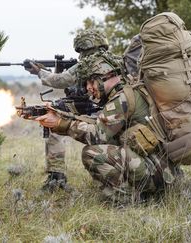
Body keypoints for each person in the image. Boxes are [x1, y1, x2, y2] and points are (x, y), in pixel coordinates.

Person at [35, 53, 176, 203]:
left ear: (106, 75)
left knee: (91, 153)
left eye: (91, 81)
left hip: (154, 171)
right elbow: (102, 125)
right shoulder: (128, 90)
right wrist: (62, 115)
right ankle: (144, 190)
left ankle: (128, 199)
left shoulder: (121, 99)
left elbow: (97, 135)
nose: (88, 88)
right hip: (162, 169)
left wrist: (60, 124)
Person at [25, 29, 118, 192]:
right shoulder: (116, 61)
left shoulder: (89, 63)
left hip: (94, 108)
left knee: (53, 120)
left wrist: (39, 71)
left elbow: (59, 80)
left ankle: (56, 176)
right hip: (115, 109)